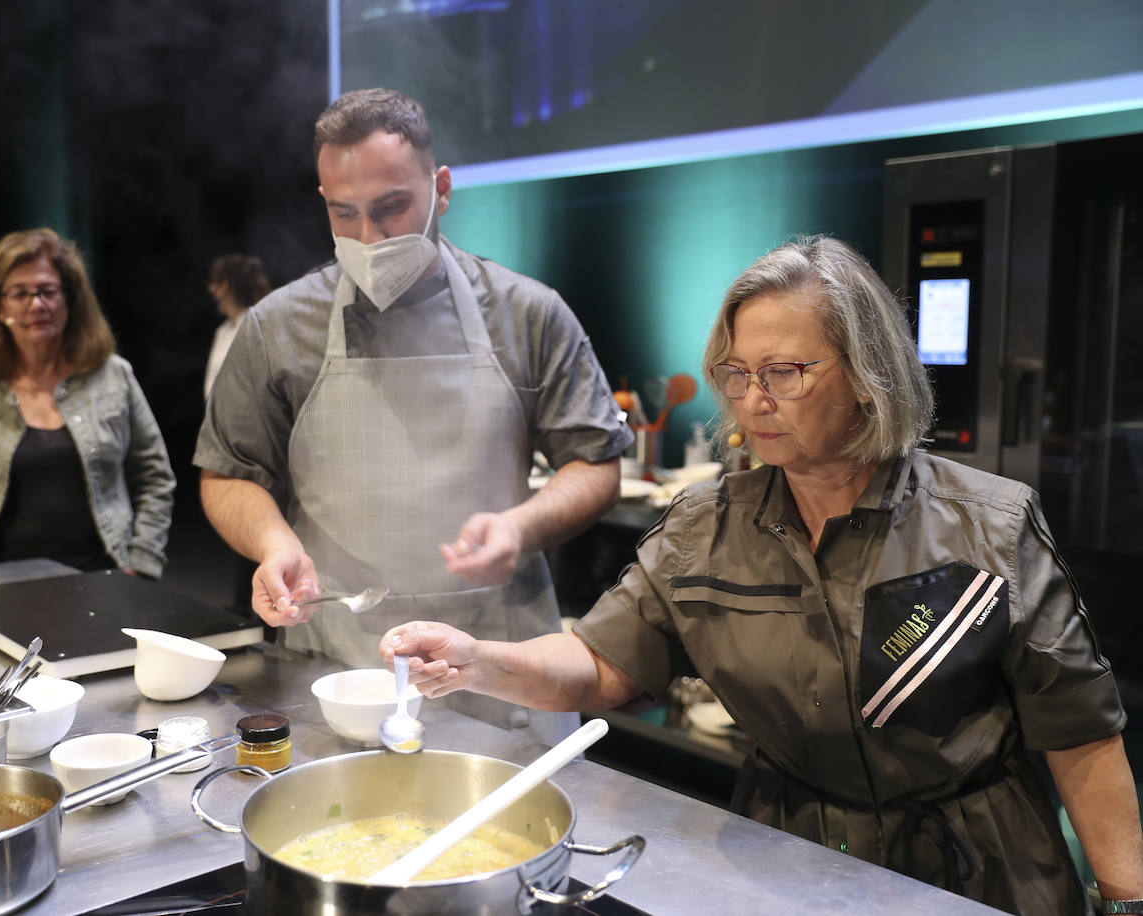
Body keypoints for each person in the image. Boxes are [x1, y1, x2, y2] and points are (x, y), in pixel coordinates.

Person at [381, 236, 1143, 914]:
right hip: (787, 858)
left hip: (978, 869)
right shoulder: (705, 527)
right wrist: (479, 660)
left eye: (785, 371)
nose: (753, 399)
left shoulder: (990, 525)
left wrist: (1125, 901)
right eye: (737, 373)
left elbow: (1080, 737)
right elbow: (601, 665)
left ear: (868, 375)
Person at [195, 88, 631, 743]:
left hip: (500, 670)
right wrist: (275, 543)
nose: (370, 237)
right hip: (341, 669)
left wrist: (521, 526)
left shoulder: (526, 314)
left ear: (442, 187)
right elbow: (227, 473)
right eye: (346, 214)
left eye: (392, 207)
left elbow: (595, 463)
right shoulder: (278, 328)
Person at [0, 228, 175, 578]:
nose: (37, 305)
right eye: (20, 293)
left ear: (70, 299)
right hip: (0, 584)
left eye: (48, 291)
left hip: (103, 578)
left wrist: (142, 563)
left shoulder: (113, 375)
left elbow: (155, 478)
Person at [203, 252, 272, 400]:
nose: (211, 290)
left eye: (214, 284)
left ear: (225, 286)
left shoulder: (257, 326)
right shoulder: (223, 332)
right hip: (219, 419)